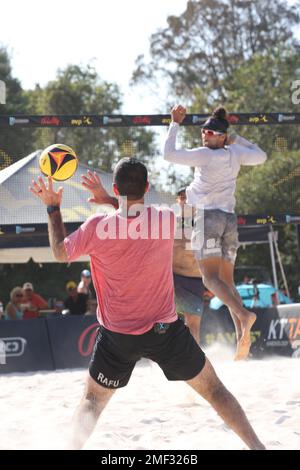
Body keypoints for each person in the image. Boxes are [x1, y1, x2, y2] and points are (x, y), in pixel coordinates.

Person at [29, 161, 265, 450]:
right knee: (215, 391)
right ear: (148, 188)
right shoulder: (165, 219)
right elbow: (136, 214)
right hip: (165, 332)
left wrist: (53, 209)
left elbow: (60, 251)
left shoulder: (95, 227)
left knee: (92, 402)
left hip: (117, 338)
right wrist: (111, 200)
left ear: (115, 188)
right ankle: (257, 447)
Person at [164, 105, 267, 360]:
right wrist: (236, 139)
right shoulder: (234, 153)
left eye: (211, 132)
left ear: (221, 136)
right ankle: (242, 332)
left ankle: (245, 316)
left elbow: (168, 154)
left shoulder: (205, 155)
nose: (205, 134)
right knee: (227, 282)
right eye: (204, 131)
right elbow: (262, 156)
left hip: (208, 218)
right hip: (229, 221)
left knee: (209, 279)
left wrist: (175, 123)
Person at [173, 187, 205, 344]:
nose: (185, 200)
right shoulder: (169, 221)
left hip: (195, 280)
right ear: (177, 201)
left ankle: (195, 363)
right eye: (181, 197)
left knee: (193, 327)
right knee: (162, 323)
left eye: (188, 197)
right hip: (172, 278)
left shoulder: (205, 223)